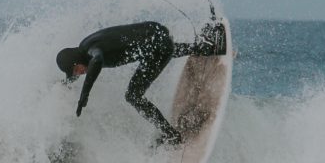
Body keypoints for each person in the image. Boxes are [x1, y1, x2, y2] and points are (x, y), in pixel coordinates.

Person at [56, 19, 226, 144]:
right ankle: (204, 47)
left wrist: (84, 96)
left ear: (76, 61)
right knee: (158, 50)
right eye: (76, 74)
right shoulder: (83, 47)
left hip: (158, 45)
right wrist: (61, 87)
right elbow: (75, 72)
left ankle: (171, 135)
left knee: (133, 95)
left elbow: (98, 60)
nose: (80, 74)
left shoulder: (92, 52)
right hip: (155, 33)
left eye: (77, 70)